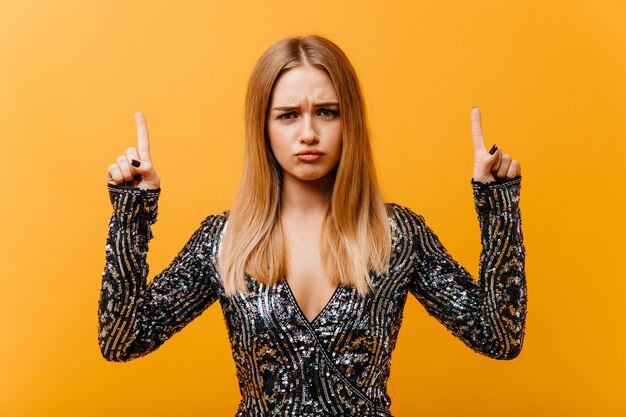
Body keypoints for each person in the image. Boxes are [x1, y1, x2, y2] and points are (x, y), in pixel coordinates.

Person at [99, 35, 526, 416]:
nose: (308, 133)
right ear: (263, 127)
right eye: (287, 115)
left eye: (326, 112)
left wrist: (498, 206)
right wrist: (132, 212)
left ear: (350, 123)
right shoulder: (225, 241)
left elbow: (498, 336)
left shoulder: (397, 235)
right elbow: (123, 339)